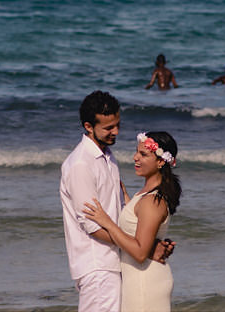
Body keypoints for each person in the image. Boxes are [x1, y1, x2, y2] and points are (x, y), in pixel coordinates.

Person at [60, 91, 173, 312]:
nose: (116, 132)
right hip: (97, 264)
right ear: (88, 126)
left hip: (114, 261)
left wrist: (147, 243)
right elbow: (92, 227)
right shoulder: (81, 165)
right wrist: (145, 249)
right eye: (109, 128)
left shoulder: (108, 157)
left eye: (117, 124)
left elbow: (121, 211)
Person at [84, 131, 182, 312]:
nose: (135, 157)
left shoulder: (153, 200)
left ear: (161, 162)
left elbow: (139, 252)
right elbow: (136, 223)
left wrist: (107, 222)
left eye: (143, 154)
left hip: (144, 282)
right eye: (137, 152)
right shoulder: (145, 194)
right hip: (140, 279)